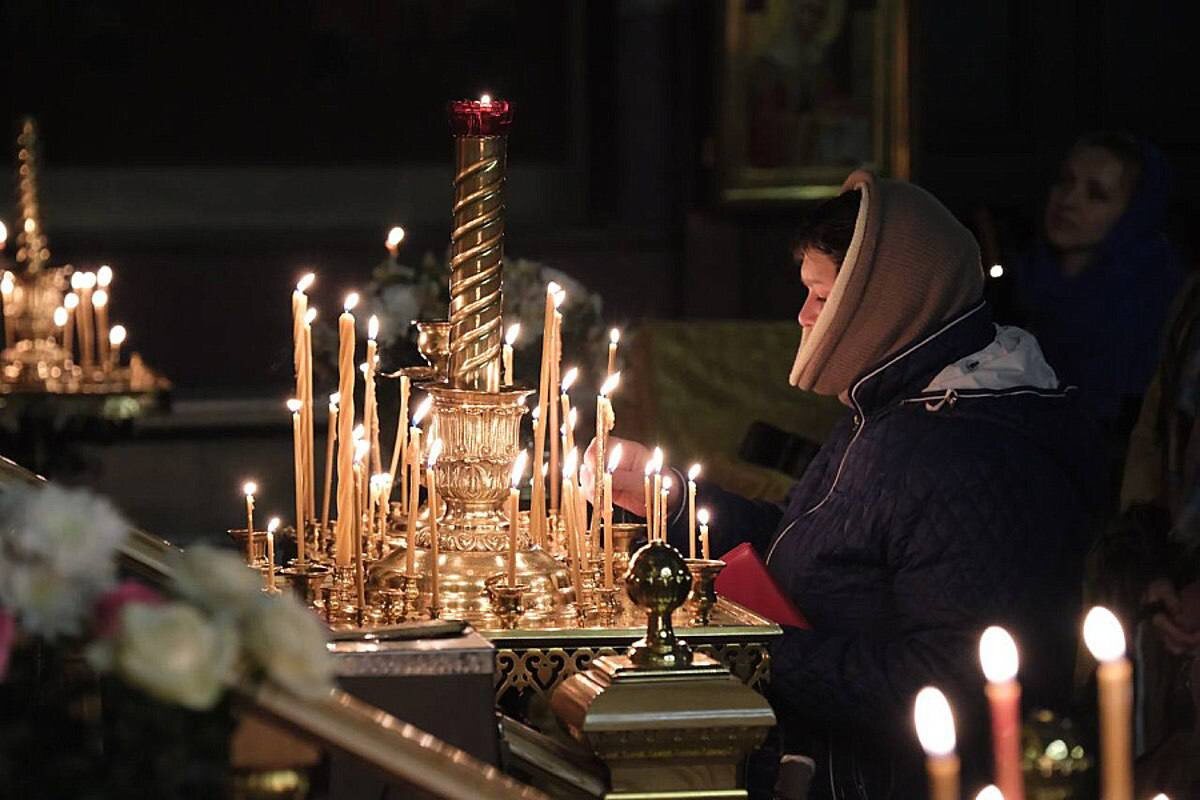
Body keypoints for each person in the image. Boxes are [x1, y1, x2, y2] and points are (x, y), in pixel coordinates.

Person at [589, 171, 1097, 798]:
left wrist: (753, 652)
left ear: (883, 306)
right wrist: (667, 500)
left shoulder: (970, 452)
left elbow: (951, 683)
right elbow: (809, 541)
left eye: (822, 297)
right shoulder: (893, 405)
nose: (802, 316)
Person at [1012, 132, 1182, 462]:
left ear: (1135, 211)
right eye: (1065, 181)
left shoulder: (1148, 305)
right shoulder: (1024, 283)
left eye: (1097, 194)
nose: (1068, 200)